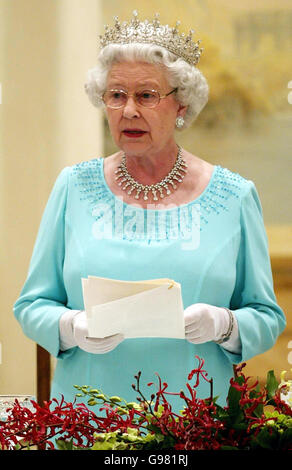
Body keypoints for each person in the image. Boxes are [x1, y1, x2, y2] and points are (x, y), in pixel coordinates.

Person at [14, 12, 286, 411]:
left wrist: (226, 324)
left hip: (195, 423)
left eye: (146, 95)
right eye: (116, 95)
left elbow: (266, 317)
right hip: (86, 420)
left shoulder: (234, 195)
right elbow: (31, 306)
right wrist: (69, 327)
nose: (128, 111)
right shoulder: (73, 187)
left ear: (182, 104)